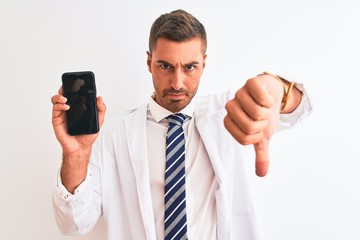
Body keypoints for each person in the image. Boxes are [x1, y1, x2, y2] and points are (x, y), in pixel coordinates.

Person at [51, 9, 312, 240]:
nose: (177, 82)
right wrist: (76, 154)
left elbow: (299, 108)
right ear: (148, 62)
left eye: (189, 67)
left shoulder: (228, 111)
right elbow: (74, 222)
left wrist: (277, 88)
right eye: (165, 66)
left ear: (204, 64)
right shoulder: (115, 134)